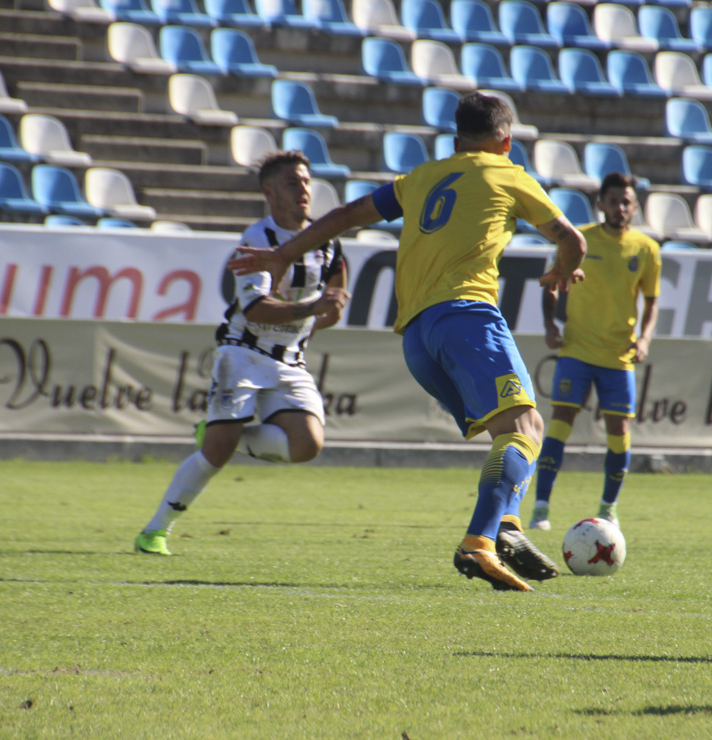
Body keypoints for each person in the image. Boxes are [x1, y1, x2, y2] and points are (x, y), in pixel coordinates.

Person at [229, 92, 587, 592]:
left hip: (417, 338)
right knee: (526, 427)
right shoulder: (510, 174)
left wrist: (285, 251)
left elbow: (350, 215)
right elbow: (573, 239)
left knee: (514, 429)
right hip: (467, 316)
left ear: (456, 140)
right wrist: (563, 271)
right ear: (506, 142)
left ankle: (506, 527)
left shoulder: (420, 178)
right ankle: (480, 541)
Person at [134, 151, 349, 556]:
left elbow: (333, 302)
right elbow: (255, 310)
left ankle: (221, 436)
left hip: (290, 360)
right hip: (244, 353)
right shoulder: (257, 240)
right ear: (269, 191)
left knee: (307, 446)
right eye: (292, 183)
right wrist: (311, 308)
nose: (303, 189)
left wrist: (330, 311)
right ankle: (154, 531)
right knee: (215, 455)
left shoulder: (328, 242)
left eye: (305, 181)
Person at [528, 172, 661, 532]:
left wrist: (645, 338)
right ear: (600, 204)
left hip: (618, 356)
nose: (620, 207)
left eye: (626, 202)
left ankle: (608, 507)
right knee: (559, 423)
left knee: (619, 430)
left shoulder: (647, 250)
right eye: (613, 201)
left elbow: (651, 304)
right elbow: (552, 283)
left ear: (634, 207)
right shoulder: (579, 240)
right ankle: (540, 507)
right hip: (577, 349)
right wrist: (550, 324)